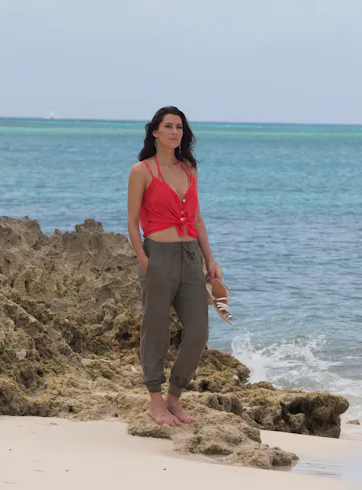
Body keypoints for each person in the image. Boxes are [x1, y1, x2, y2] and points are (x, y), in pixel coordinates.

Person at [126, 106, 220, 426]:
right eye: (168, 126)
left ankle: (174, 397)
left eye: (179, 127)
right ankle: (155, 400)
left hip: (191, 256)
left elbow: (197, 217)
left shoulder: (190, 169)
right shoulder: (141, 170)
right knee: (156, 329)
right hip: (158, 255)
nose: (175, 132)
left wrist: (210, 259)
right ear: (155, 132)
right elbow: (132, 220)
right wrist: (143, 259)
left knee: (198, 331)